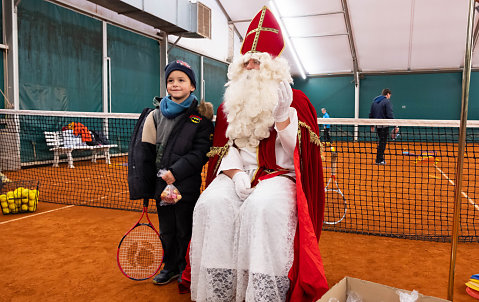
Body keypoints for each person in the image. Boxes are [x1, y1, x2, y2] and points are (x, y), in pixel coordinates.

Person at [182, 6, 328, 302]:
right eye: (246, 62)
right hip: (240, 173)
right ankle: (218, 291)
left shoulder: (296, 100)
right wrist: (235, 176)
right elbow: (228, 149)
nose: (250, 67)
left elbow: (299, 157)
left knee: (261, 209)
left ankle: (262, 292)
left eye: (257, 62)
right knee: (210, 204)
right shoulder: (230, 102)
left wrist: (283, 117)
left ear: (273, 66)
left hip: (279, 176)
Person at [140, 60, 214, 285]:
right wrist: (146, 184)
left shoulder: (200, 119)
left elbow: (200, 152)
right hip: (161, 186)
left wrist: (175, 172)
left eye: (181, 80)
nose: (175, 84)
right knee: (167, 230)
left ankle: (185, 268)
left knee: (185, 229)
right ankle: (170, 266)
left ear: (192, 86)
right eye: (171, 80)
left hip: (185, 185)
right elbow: (146, 151)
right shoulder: (154, 116)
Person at [368, 88, 398, 165]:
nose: (389, 97)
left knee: (381, 142)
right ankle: (379, 160)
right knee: (383, 143)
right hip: (384, 126)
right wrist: (395, 125)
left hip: (377, 125)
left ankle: (379, 159)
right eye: (389, 95)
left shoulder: (374, 101)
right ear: (387, 94)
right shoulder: (386, 101)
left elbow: (371, 114)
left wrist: (372, 125)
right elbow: (389, 114)